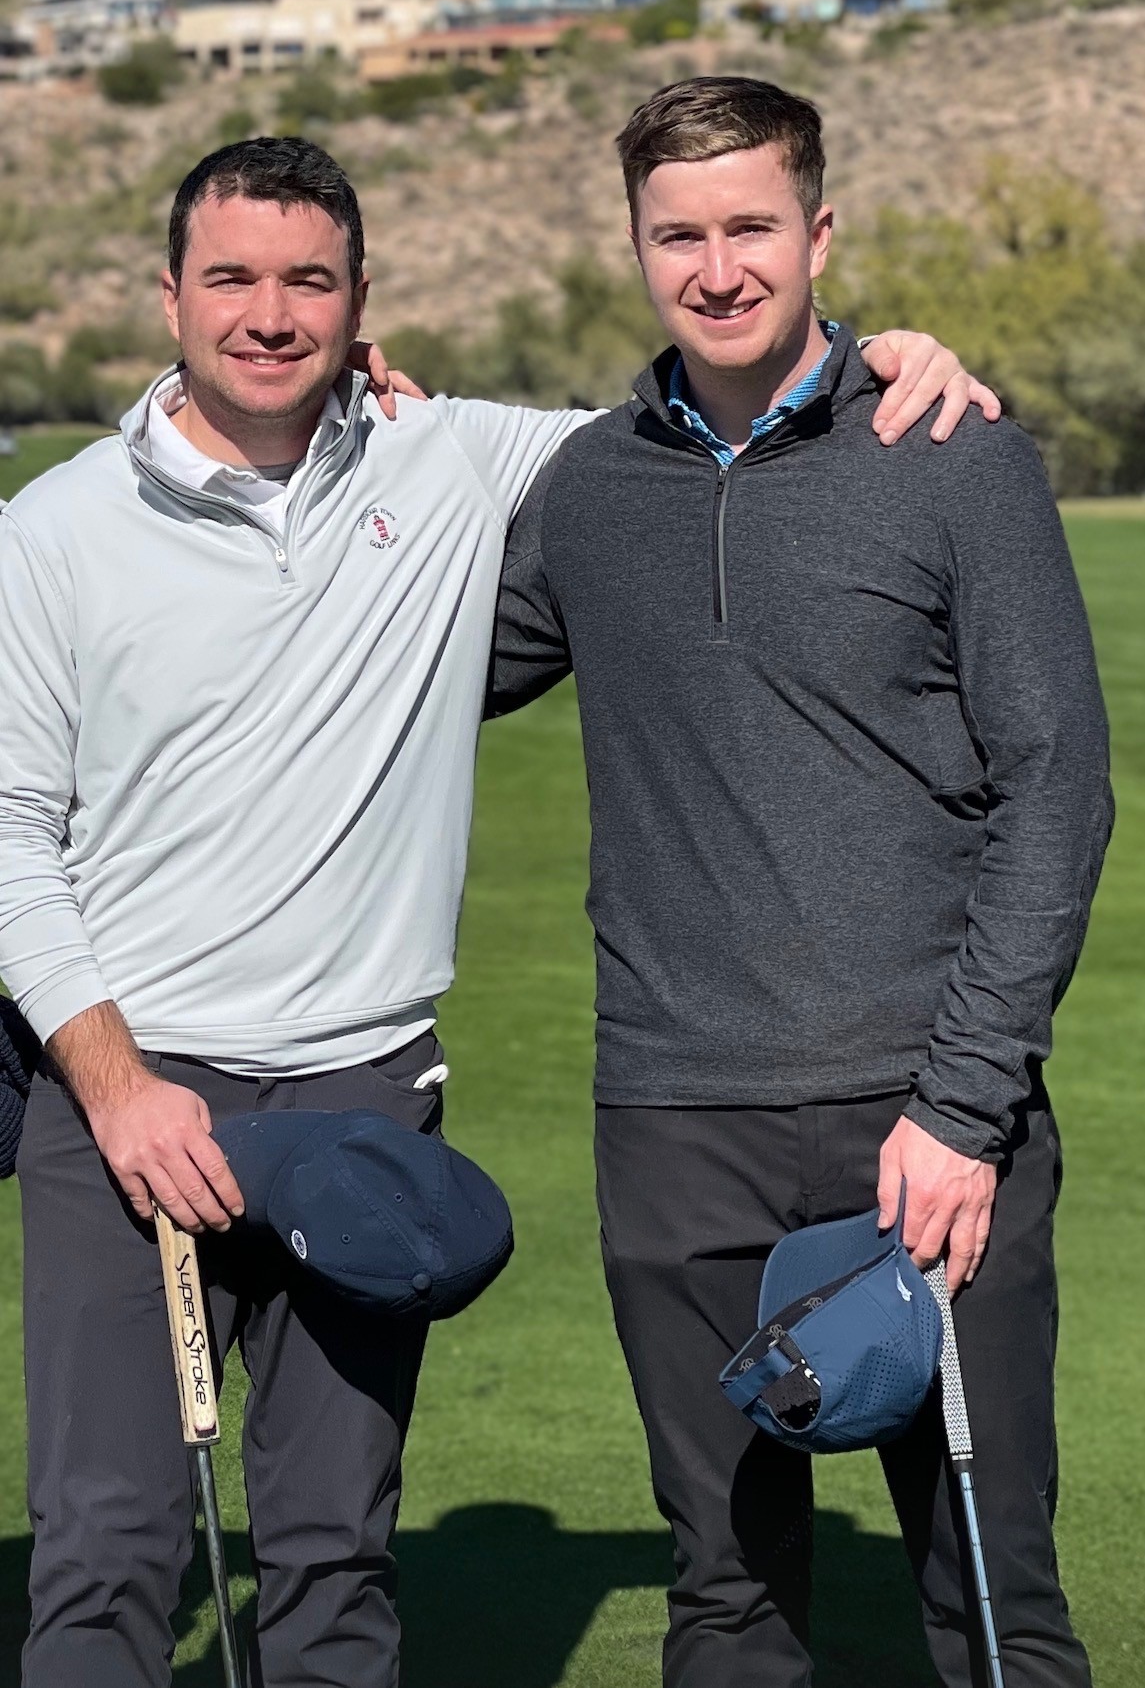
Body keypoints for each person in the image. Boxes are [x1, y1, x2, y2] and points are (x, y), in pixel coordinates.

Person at [0, 132, 992, 1687]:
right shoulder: (49, 532)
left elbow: (716, 407)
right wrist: (117, 1090)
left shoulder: (448, 456)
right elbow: (5, 836)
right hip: (129, 1097)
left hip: (361, 1091)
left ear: (360, 296)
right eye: (233, 277)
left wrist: (885, 356)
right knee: (109, 1552)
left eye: (308, 279)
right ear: (167, 292)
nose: (270, 313)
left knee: (333, 1557)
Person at [490, 77, 1112, 1688]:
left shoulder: (952, 452)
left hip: (920, 1124)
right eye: (676, 234)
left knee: (988, 1598)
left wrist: (966, 1107)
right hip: (673, 1121)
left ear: (818, 231)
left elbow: (1059, 787)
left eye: (750, 225)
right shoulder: (583, 492)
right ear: (634, 247)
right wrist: (318, 402)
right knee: (728, 1604)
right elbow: (396, 658)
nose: (715, 267)